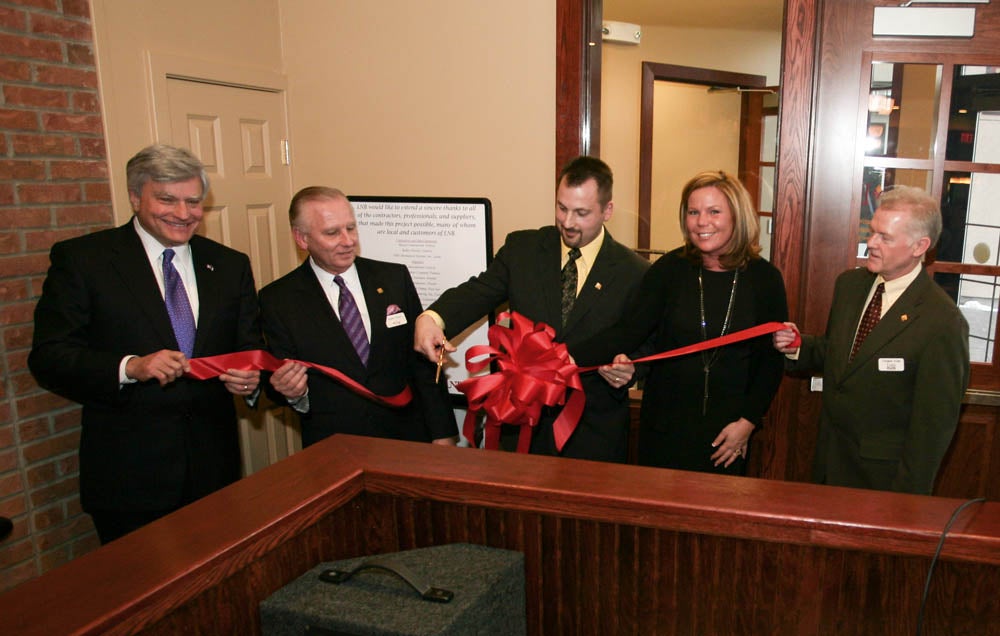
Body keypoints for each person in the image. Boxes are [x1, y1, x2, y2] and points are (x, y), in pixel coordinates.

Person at [29, 144, 263, 543]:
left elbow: (249, 346)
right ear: (135, 197)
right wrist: (130, 367)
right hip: (129, 478)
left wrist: (251, 381)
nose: (184, 213)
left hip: (214, 471)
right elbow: (49, 356)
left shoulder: (228, 264)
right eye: (167, 199)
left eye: (194, 201)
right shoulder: (85, 261)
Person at [414, 156, 650, 462]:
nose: (567, 222)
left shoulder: (635, 273)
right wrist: (432, 317)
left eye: (581, 213)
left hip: (592, 437)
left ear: (607, 210)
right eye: (561, 208)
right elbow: (478, 291)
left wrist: (631, 370)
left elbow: (646, 344)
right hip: (520, 427)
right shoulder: (522, 250)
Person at [571, 170, 788, 475]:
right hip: (664, 429)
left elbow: (770, 362)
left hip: (728, 435)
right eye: (693, 212)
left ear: (737, 217)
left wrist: (747, 423)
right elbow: (626, 332)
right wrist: (562, 357)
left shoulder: (765, 279)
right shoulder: (669, 271)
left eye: (714, 211)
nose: (702, 222)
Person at [773, 185, 969, 495]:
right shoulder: (850, 285)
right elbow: (841, 356)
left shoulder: (942, 322)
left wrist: (907, 502)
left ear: (920, 246)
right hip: (828, 464)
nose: (870, 244)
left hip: (884, 484)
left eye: (885, 238)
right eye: (872, 231)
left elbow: (932, 429)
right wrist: (799, 347)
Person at [260, 187, 456, 447]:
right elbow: (276, 379)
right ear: (302, 239)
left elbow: (423, 363)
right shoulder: (278, 299)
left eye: (351, 228)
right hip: (334, 446)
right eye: (332, 232)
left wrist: (443, 434)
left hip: (406, 439)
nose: (348, 240)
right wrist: (292, 393)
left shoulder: (393, 279)